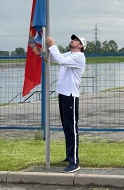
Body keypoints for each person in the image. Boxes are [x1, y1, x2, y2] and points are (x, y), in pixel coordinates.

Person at [46, 34, 87, 173]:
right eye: (73, 38)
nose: (73, 40)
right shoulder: (70, 54)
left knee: (71, 129)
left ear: (80, 46)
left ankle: (74, 162)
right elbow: (53, 58)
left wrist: (53, 45)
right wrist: (48, 48)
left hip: (71, 96)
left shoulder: (79, 56)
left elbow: (61, 61)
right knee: (66, 127)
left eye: (76, 40)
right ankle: (69, 156)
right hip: (63, 94)